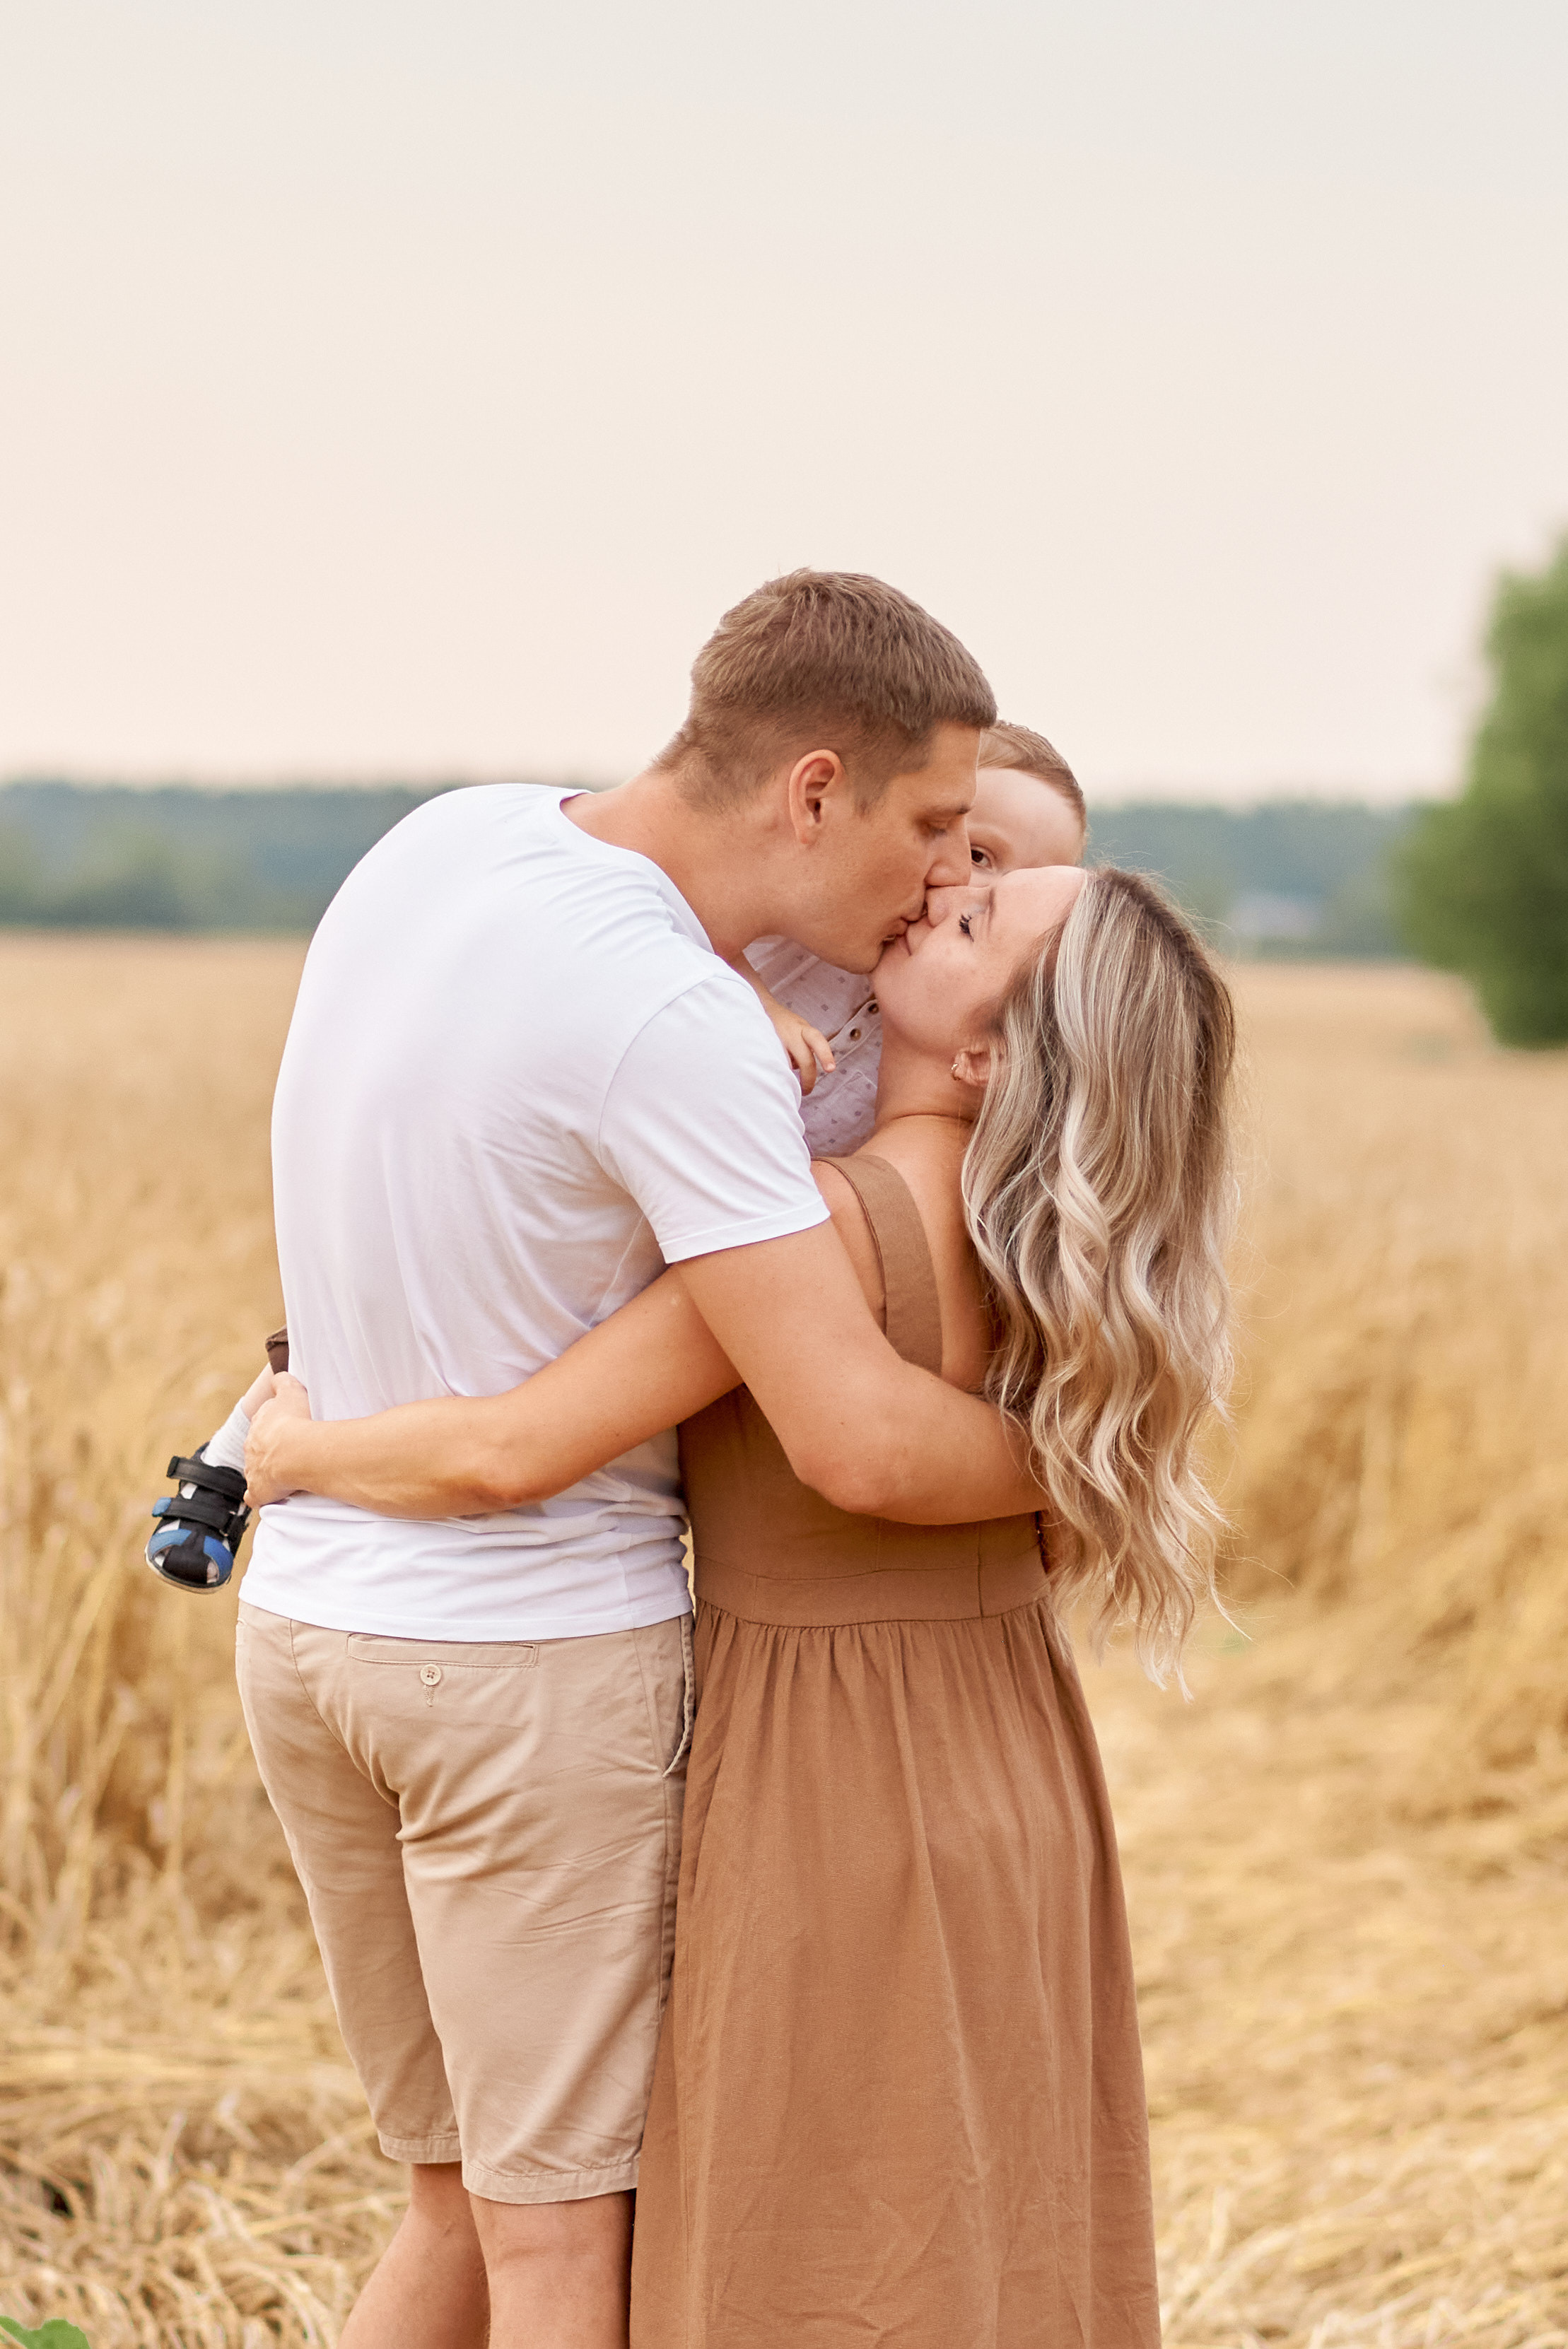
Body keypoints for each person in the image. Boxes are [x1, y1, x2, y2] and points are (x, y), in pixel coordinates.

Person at [213, 570, 1080, 2349]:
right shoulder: (687, 1031)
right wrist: (1099, 1466)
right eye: (932, 826)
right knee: (554, 2257)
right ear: (813, 788)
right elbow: (845, 1430)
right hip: (522, 1676)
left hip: (309, 1634)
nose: (940, 876)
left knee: (449, 2209)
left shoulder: (450, 842)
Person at [245, 859, 1238, 2348]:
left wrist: (292, 1448)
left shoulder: (816, 1234)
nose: (929, 901)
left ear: (984, 1051)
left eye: (970, 923)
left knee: (811, 2237)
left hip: (827, 1768)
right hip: (1012, 1758)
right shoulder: (1051, 1267)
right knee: (972, 2224)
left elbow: (516, 1444)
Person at [737, 720, 1087, 1152]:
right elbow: (689, 920)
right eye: (978, 855)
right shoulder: (813, 919)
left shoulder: (942, 1042)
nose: (974, 890)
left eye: (1023, 890)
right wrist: (754, 998)